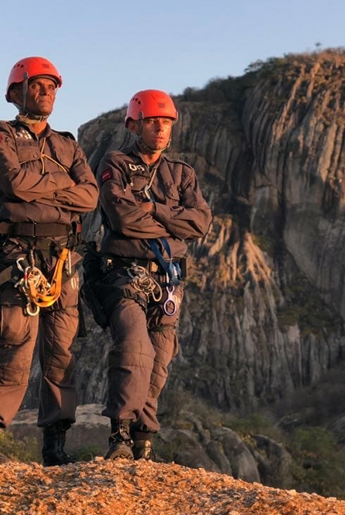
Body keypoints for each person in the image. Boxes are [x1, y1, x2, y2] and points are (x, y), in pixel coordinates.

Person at [0, 57, 98, 465]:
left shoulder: (68, 144)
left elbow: (90, 196)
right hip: (17, 256)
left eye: (52, 86)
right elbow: (16, 185)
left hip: (62, 258)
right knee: (12, 348)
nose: (46, 92)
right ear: (16, 92)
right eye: (37, 85)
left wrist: (43, 190)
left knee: (61, 352)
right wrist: (63, 187)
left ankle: (54, 446)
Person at [93, 89, 211, 460]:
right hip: (123, 274)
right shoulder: (116, 163)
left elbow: (201, 222)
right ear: (134, 124)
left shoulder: (181, 173)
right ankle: (120, 435)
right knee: (135, 347)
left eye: (166, 122)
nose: (161, 129)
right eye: (153, 122)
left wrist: (153, 210)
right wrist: (171, 222)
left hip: (168, 280)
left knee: (160, 360)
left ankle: (143, 439)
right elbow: (122, 218)